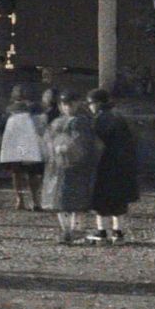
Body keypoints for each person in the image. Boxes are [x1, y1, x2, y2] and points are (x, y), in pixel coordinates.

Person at [39, 92, 100, 245]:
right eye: (64, 104)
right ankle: (65, 230)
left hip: (77, 166)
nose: (68, 107)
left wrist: (67, 148)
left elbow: (83, 142)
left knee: (76, 200)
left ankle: (76, 230)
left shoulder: (81, 121)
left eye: (71, 104)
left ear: (77, 103)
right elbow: (47, 139)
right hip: (57, 166)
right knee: (59, 200)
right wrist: (53, 148)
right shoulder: (57, 122)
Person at [86, 87, 140, 244]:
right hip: (121, 164)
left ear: (96, 103)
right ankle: (118, 232)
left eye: (90, 103)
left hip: (103, 164)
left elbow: (94, 143)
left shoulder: (98, 120)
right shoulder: (120, 117)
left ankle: (101, 231)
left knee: (100, 200)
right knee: (119, 201)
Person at [0, 87, 48, 211]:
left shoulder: (9, 112)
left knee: (17, 173)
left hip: (15, 146)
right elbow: (41, 127)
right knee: (33, 174)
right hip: (31, 145)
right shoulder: (36, 111)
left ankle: (20, 199)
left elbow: (0, 128)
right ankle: (35, 200)